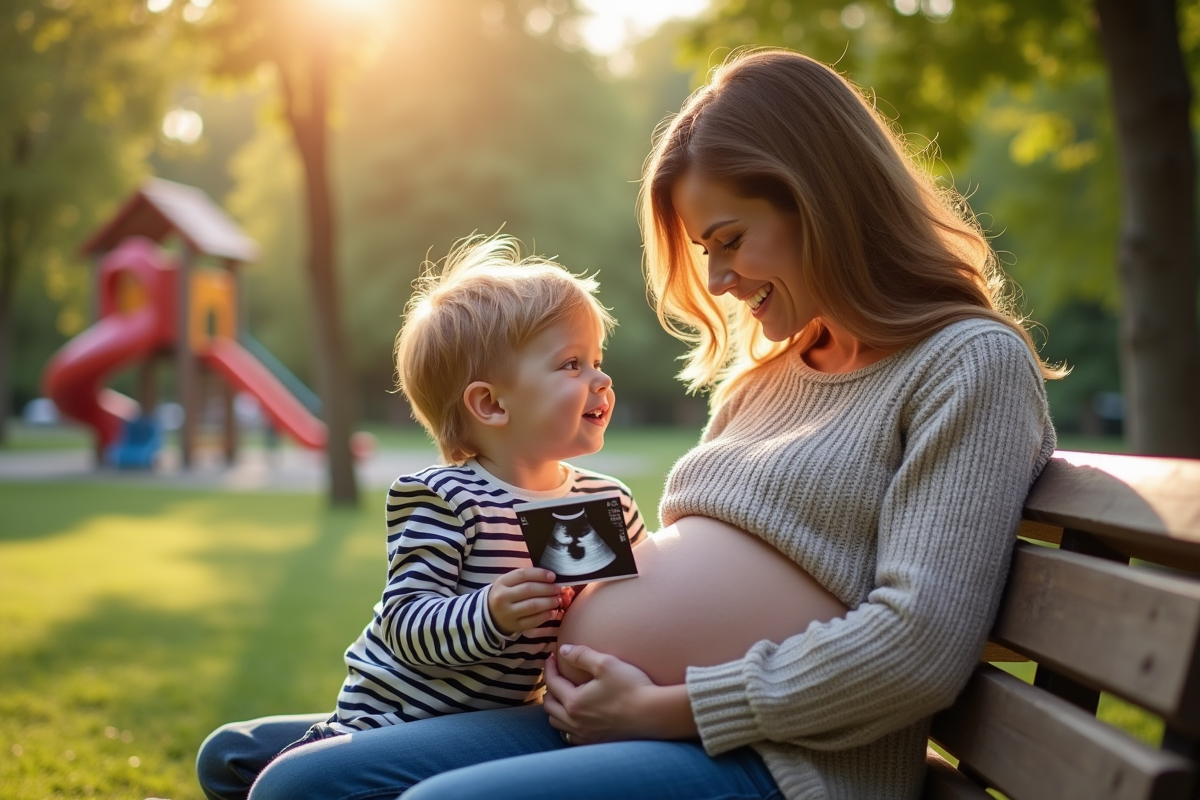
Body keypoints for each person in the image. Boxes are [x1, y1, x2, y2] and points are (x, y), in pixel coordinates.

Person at [197, 49, 1058, 800]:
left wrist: (668, 708)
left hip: (779, 760)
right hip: (600, 713)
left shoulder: (966, 363)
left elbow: (915, 647)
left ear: (820, 201)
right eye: (706, 251)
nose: (717, 281)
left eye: (730, 239)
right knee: (295, 784)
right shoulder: (773, 373)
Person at [195, 234, 646, 798]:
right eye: (571, 364)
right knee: (227, 755)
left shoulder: (606, 502)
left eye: (597, 361)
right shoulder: (446, 497)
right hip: (397, 716)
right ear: (491, 404)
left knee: (272, 779)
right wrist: (489, 612)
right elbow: (405, 625)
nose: (601, 380)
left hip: (507, 722)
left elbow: (642, 602)